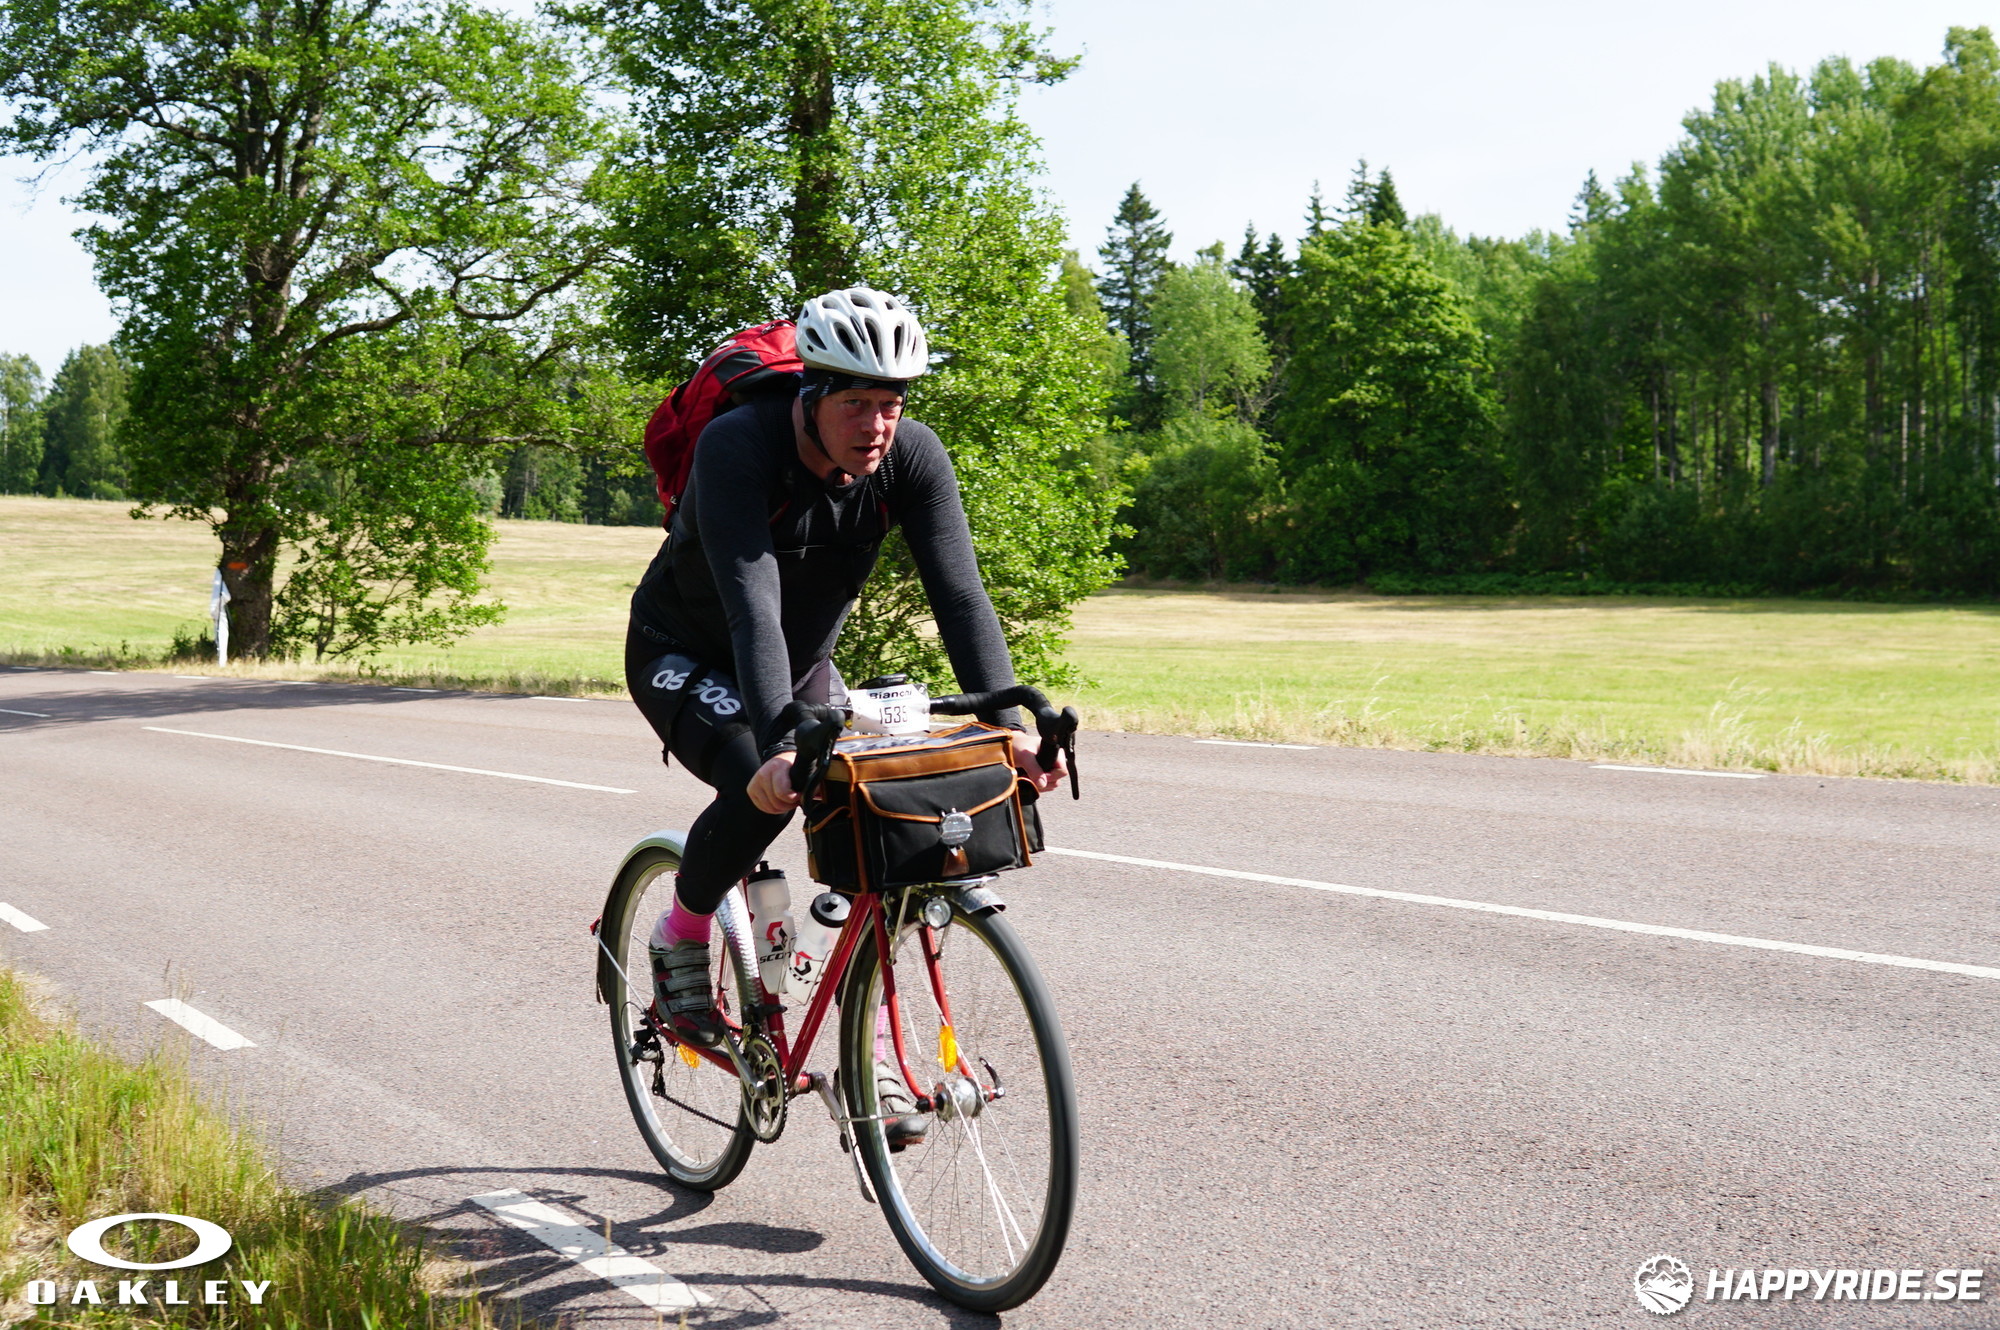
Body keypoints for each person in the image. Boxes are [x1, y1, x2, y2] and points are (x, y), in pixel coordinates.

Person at [624, 286, 1065, 1142]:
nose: (876, 425)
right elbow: (753, 609)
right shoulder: (739, 445)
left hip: (799, 667)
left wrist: (1009, 732)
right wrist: (778, 747)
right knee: (770, 788)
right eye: (856, 403)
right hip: (684, 653)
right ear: (811, 394)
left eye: (891, 403)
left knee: (881, 807)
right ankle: (680, 934)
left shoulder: (912, 458)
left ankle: (877, 1054)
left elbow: (961, 599)